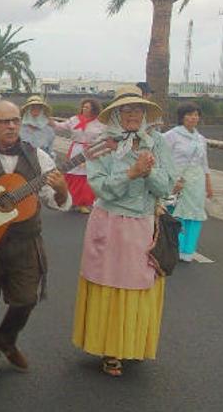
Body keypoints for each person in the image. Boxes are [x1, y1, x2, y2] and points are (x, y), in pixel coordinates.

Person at [72, 85, 175, 378]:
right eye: (126, 109)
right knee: (109, 284)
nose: (132, 114)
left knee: (138, 285)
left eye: (137, 109)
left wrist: (149, 171)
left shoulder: (156, 143)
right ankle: (110, 350)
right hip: (110, 223)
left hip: (143, 225)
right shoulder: (100, 143)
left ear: (145, 113)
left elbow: (167, 186)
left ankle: (132, 343)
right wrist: (131, 172)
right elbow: (100, 187)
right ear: (115, 113)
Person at [0, 101, 71, 381]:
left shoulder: (38, 157)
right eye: (4, 121)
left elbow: (55, 202)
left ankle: (6, 337)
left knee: (26, 298)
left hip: (25, 242)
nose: (12, 126)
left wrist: (62, 190)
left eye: (15, 120)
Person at [164, 102, 212, 262]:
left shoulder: (201, 139)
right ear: (182, 117)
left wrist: (208, 184)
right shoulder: (172, 135)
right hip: (179, 180)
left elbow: (204, 163)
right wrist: (172, 179)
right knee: (178, 214)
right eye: (190, 114)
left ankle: (188, 251)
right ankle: (175, 247)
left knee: (195, 216)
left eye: (196, 114)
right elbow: (164, 158)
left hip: (196, 181)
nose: (193, 118)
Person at [54, 98, 104, 213]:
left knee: (86, 177)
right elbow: (60, 126)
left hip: (90, 151)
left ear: (93, 109)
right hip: (75, 150)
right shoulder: (74, 119)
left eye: (87, 107)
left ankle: (84, 203)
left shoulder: (99, 123)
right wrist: (48, 121)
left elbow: (104, 137)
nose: (84, 109)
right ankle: (70, 200)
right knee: (71, 175)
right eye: (83, 107)